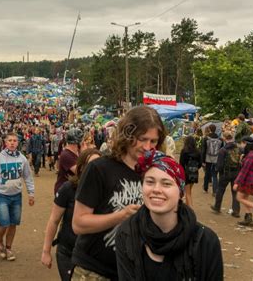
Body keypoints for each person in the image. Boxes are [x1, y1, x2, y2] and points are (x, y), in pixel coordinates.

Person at [71, 106, 167, 281]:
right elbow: (78, 223)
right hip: (93, 272)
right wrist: (120, 216)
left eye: (153, 141)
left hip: (134, 273)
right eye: (142, 139)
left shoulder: (156, 173)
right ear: (127, 135)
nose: (147, 147)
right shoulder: (99, 168)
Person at [116, 151, 223, 281]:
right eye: (149, 182)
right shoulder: (127, 233)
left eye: (166, 183)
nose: (156, 189)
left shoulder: (205, 242)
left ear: (180, 192)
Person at [41, 148, 101, 281]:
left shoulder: (106, 192)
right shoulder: (68, 189)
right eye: (89, 165)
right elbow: (54, 220)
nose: (94, 169)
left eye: (98, 164)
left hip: (94, 257)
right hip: (68, 252)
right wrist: (46, 251)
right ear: (81, 167)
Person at [0, 132, 35, 261]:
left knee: (13, 223)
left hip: (17, 195)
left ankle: (9, 248)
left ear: (18, 143)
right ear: (5, 142)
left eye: (15, 141)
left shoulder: (22, 159)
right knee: (4, 223)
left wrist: (31, 193)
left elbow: (28, 177)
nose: (12, 143)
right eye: (9, 140)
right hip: (2, 195)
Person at [211, 132, 241, 218]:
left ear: (224, 138)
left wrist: (218, 170)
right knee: (235, 192)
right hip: (236, 172)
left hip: (225, 173)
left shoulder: (223, 150)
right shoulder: (238, 149)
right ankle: (236, 211)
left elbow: (219, 164)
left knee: (220, 190)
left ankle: (217, 207)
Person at [54, 128, 83, 195]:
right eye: (81, 140)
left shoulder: (77, 153)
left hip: (71, 189)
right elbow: (80, 171)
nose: (83, 142)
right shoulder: (66, 155)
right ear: (76, 142)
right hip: (64, 192)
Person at [179, 135, 201, 207]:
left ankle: (190, 210)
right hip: (195, 173)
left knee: (187, 193)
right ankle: (187, 206)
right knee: (189, 191)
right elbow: (200, 163)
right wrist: (195, 168)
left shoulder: (184, 151)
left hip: (186, 173)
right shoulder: (198, 151)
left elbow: (181, 163)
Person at [201, 124, 222, 195]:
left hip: (208, 158)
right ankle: (215, 191)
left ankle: (205, 189)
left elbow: (203, 150)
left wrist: (203, 160)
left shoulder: (206, 139)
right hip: (216, 158)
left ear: (209, 129)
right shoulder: (220, 139)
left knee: (207, 174)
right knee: (215, 175)